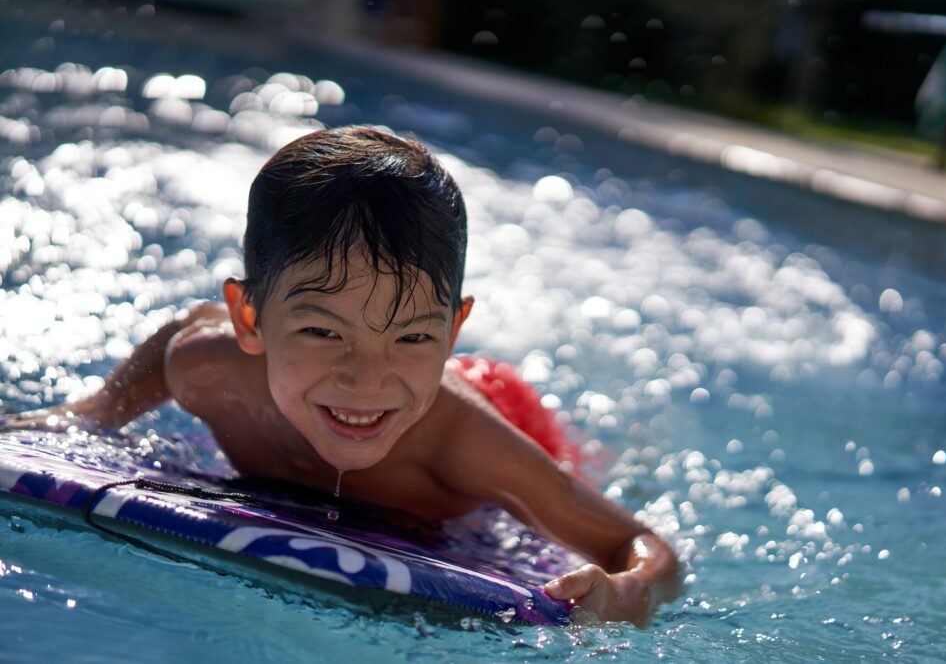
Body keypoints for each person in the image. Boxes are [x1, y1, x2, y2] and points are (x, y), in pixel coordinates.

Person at [6, 126, 680, 626]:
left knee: (596, 465)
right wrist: (97, 409)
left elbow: (640, 544)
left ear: (451, 331)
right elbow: (179, 337)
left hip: (501, 402)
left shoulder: (463, 444)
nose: (366, 379)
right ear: (250, 320)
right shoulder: (210, 366)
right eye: (324, 331)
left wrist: (627, 589)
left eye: (414, 333)